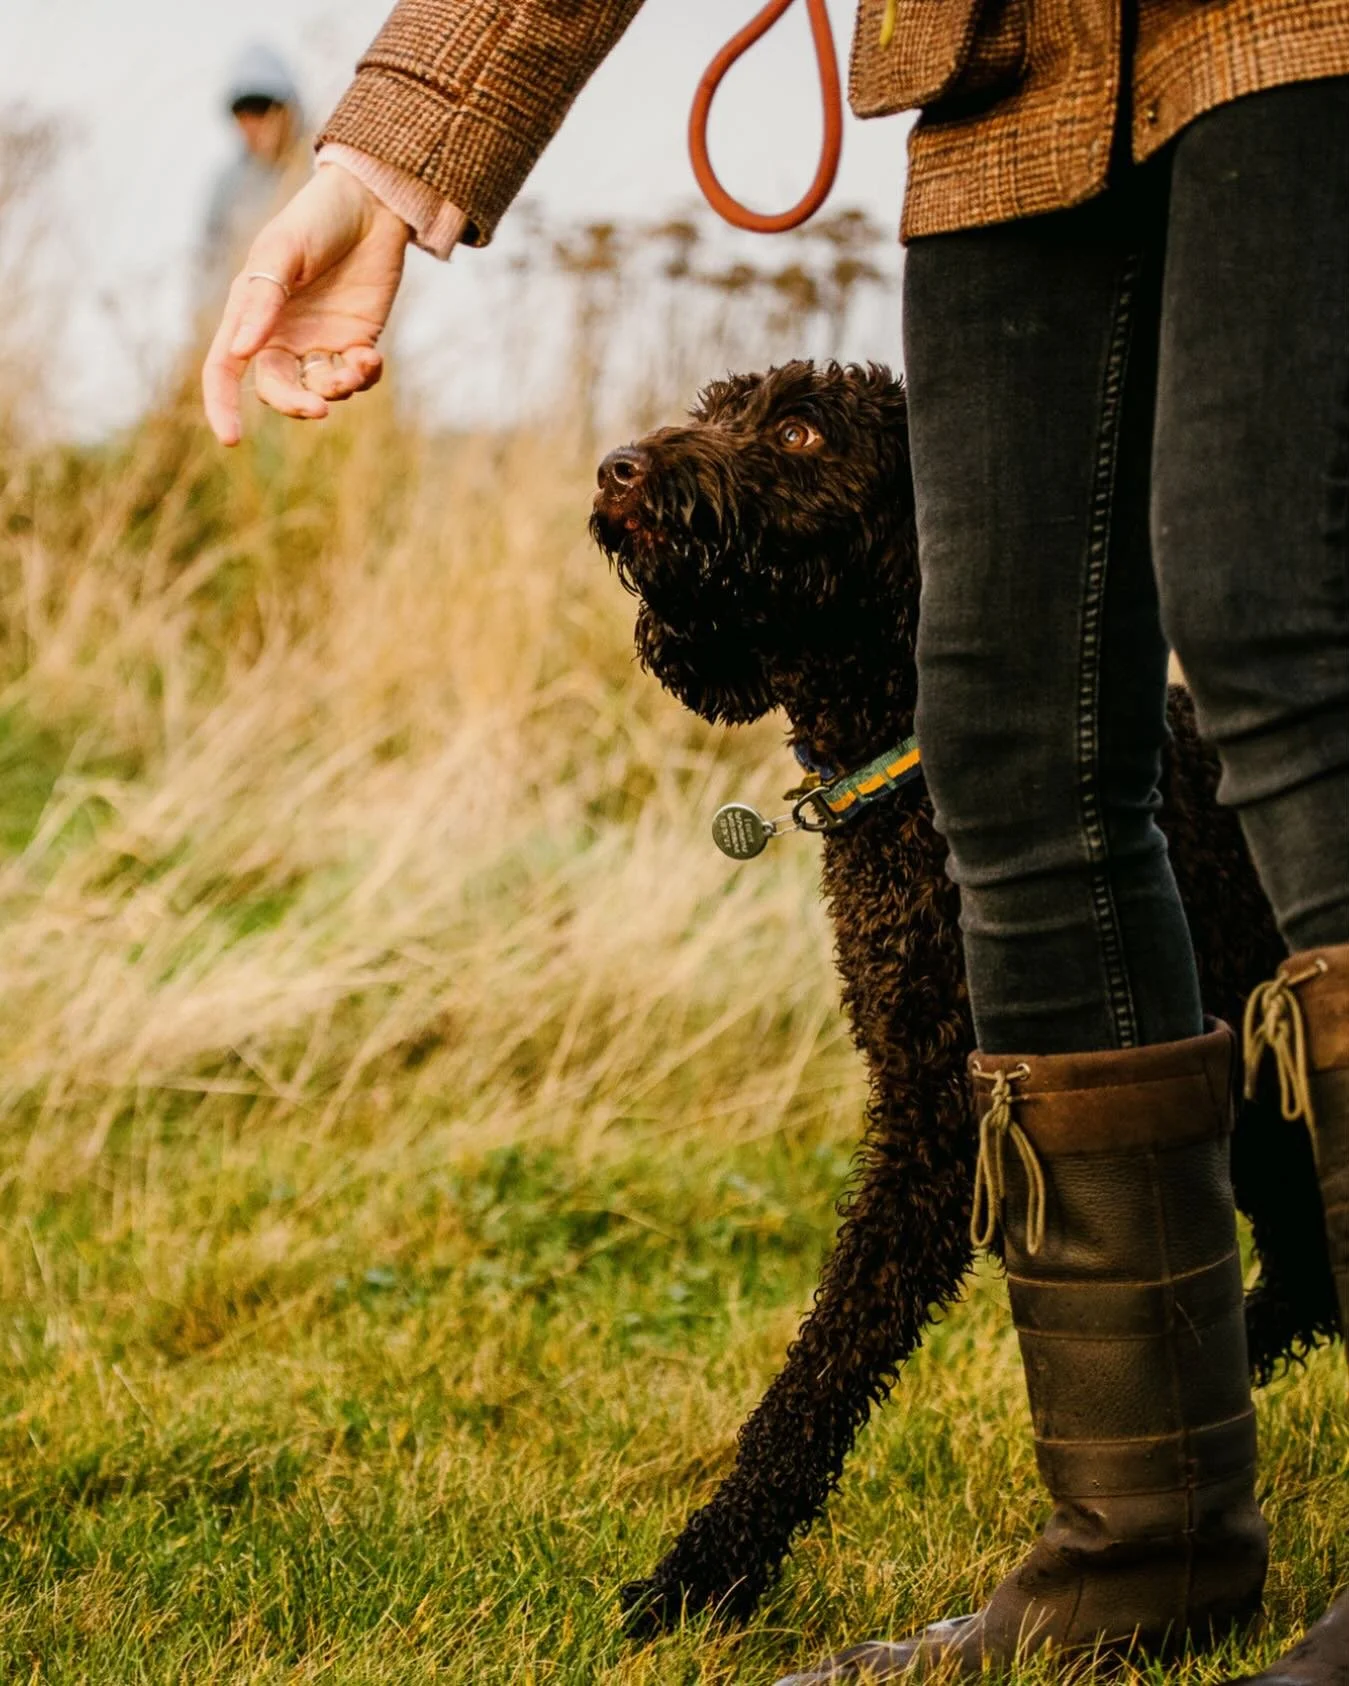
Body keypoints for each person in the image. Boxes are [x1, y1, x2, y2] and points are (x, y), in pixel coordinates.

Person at [201, 4, 1349, 1683]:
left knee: (1272, 618)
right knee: (1012, 730)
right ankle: (1142, 1557)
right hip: (1003, 68)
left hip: (1289, 31)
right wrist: (392, 156)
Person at [196, 44, 309, 314]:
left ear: (287, 110)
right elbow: (208, 261)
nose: (252, 123)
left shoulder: (316, 172)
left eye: (261, 109)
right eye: (242, 112)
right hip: (241, 318)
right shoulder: (228, 185)